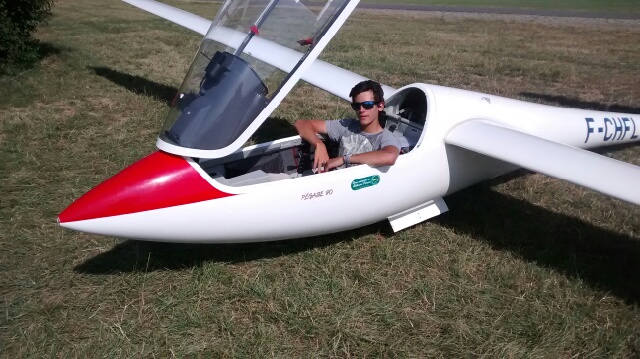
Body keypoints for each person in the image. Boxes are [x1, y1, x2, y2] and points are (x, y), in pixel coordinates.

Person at [294, 80, 400, 173]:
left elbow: (389, 157)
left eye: (367, 105)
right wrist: (318, 144)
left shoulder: (386, 137)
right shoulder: (348, 125)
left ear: (380, 106)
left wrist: (344, 159)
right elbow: (301, 123)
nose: (361, 110)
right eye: (356, 106)